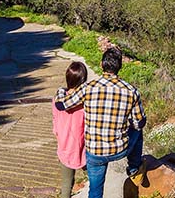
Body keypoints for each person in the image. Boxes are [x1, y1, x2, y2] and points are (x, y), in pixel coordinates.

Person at [54, 47, 146, 198]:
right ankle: (134, 168)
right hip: (119, 150)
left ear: (101, 64)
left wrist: (61, 91)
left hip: (95, 152)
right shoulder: (131, 91)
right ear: (120, 66)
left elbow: (61, 105)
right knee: (137, 130)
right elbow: (139, 123)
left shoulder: (88, 88)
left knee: (95, 191)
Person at [52, 61, 88, 198]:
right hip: (83, 148)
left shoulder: (57, 99)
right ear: (83, 80)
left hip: (64, 147)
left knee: (66, 185)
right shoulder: (84, 103)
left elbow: (55, 125)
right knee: (94, 179)